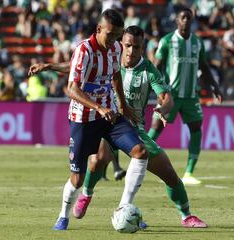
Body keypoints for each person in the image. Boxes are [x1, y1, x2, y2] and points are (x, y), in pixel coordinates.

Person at [72, 25, 208, 228]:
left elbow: (166, 97)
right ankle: (86, 194)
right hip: (108, 125)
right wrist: (51, 66)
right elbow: (78, 67)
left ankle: (186, 215)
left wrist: (163, 108)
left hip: (135, 130)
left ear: (142, 48)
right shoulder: (110, 59)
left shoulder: (148, 70)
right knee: (98, 159)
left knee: (169, 173)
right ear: (121, 44)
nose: (131, 51)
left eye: (136, 47)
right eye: (127, 45)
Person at [28, 9, 148, 231]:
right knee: (77, 179)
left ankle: (124, 207)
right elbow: (72, 88)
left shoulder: (115, 48)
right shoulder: (84, 50)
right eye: (110, 34)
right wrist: (99, 107)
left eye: (117, 36)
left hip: (109, 115)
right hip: (83, 118)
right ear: (99, 29)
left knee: (140, 151)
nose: (114, 40)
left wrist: (121, 104)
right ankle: (63, 216)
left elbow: (115, 76)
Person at [147, 6, 223, 186]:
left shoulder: (197, 43)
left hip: (190, 96)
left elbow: (203, 66)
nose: (186, 21)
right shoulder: (167, 41)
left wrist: (214, 86)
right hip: (170, 96)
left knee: (196, 129)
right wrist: (157, 90)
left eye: (189, 18)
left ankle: (189, 172)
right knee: (155, 127)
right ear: (177, 20)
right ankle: (138, 163)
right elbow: (156, 67)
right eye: (183, 18)